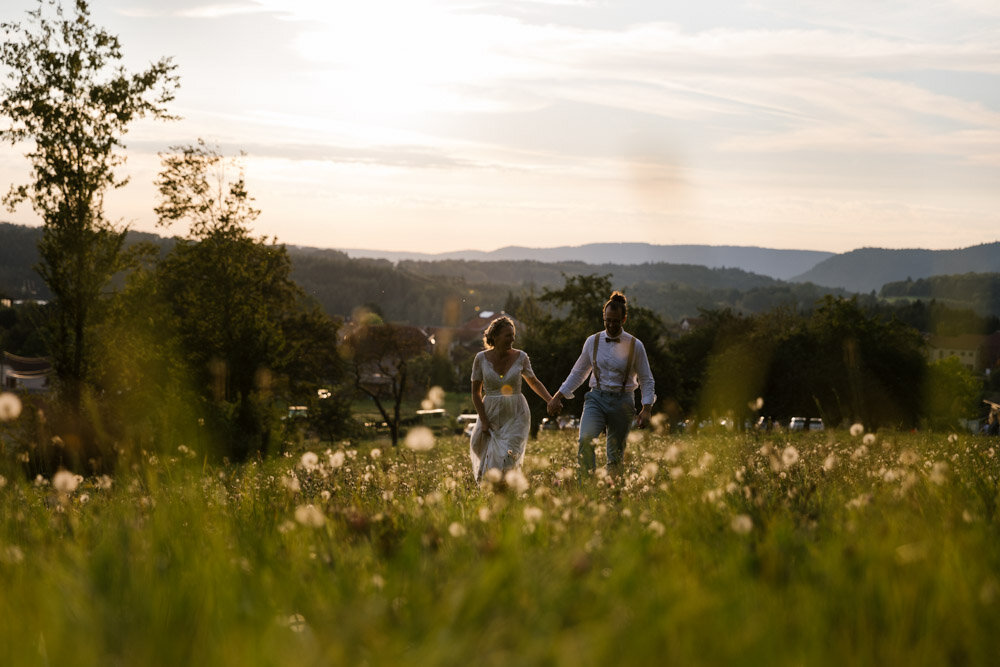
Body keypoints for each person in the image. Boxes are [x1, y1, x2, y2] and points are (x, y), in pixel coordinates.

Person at [547, 291, 655, 476]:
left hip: (623, 401)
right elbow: (578, 373)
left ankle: (613, 495)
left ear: (624, 319)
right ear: (603, 318)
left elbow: (646, 378)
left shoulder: (635, 345)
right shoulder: (592, 341)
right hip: (596, 398)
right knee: (586, 440)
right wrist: (557, 396)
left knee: (615, 454)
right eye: (608, 320)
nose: (611, 325)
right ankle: (587, 488)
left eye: (616, 321)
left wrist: (647, 408)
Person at [469, 316, 555, 482]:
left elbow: (534, 382)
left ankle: (506, 491)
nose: (512, 339)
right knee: (481, 448)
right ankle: (494, 493)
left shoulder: (521, 357)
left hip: (516, 413)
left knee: (508, 456)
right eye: (508, 335)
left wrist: (550, 400)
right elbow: (475, 393)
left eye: (513, 335)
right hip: (490, 413)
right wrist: (484, 420)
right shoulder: (480, 359)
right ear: (495, 336)